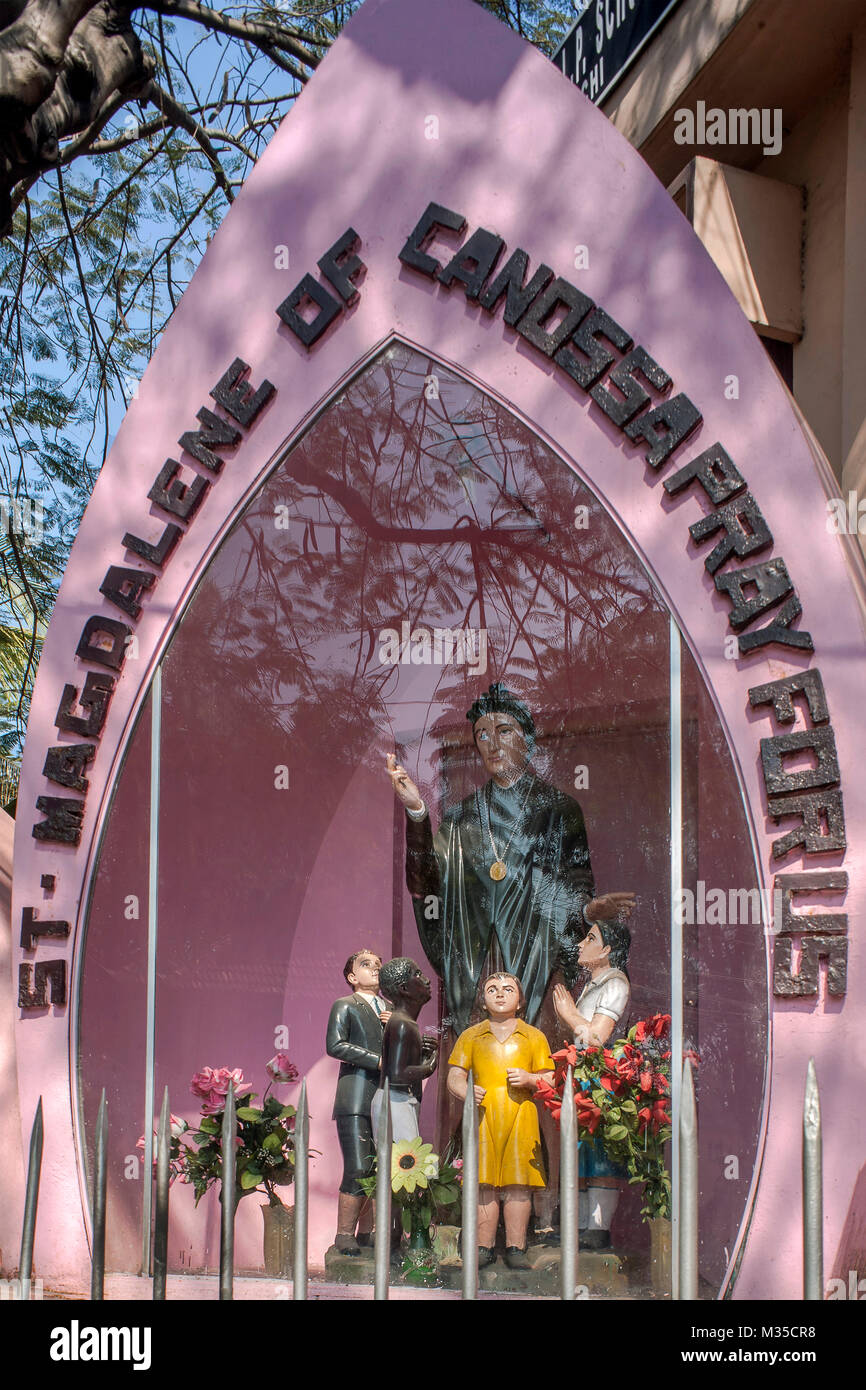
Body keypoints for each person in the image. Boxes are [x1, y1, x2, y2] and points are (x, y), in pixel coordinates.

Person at [386, 681, 635, 1035]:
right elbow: (424, 882)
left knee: (536, 1067)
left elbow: (576, 889)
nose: (493, 744)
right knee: (476, 1073)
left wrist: (590, 911)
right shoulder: (461, 819)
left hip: (539, 957)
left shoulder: (559, 811)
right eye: (482, 736)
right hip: (477, 963)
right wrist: (416, 812)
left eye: (504, 730)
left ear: (527, 739)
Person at [448, 972, 554, 1269]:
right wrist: (466, 1091)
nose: (499, 994)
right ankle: (484, 1245)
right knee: (484, 1182)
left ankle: (516, 1247)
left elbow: (550, 1078)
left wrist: (531, 1078)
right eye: (491, 989)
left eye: (508, 989)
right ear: (483, 999)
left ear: (520, 1001)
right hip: (483, 1116)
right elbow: (455, 1075)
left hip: (521, 1115)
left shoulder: (534, 1037)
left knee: (519, 1183)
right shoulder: (470, 1036)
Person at [553, 919, 632, 1251]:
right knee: (582, 1151)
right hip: (583, 1077)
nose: (582, 944)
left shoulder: (615, 984)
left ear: (608, 950)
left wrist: (570, 1015)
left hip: (602, 1079)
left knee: (599, 1153)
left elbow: (596, 1037)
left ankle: (597, 1227)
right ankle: (581, 1223)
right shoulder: (592, 984)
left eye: (591, 938)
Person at [325, 949, 391, 1255]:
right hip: (355, 1097)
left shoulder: (390, 1010)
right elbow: (335, 1044)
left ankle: (368, 1231)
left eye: (378, 965)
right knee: (358, 1167)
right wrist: (376, 1060)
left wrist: (396, 1026)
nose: (375, 969)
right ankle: (344, 1234)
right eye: (367, 965)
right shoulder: (345, 1005)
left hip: (386, 1096)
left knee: (379, 1167)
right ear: (352, 977)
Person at [371, 957, 438, 1143]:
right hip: (395, 1101)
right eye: (417, 974)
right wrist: (429, 1065)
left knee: (407, 1166)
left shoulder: (406, 1023)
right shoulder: (401, 1024)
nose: (427, 979)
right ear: (404, 989)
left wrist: (421, 1055)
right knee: (406, 1167)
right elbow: (398, 1074)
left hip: (400, 1099)